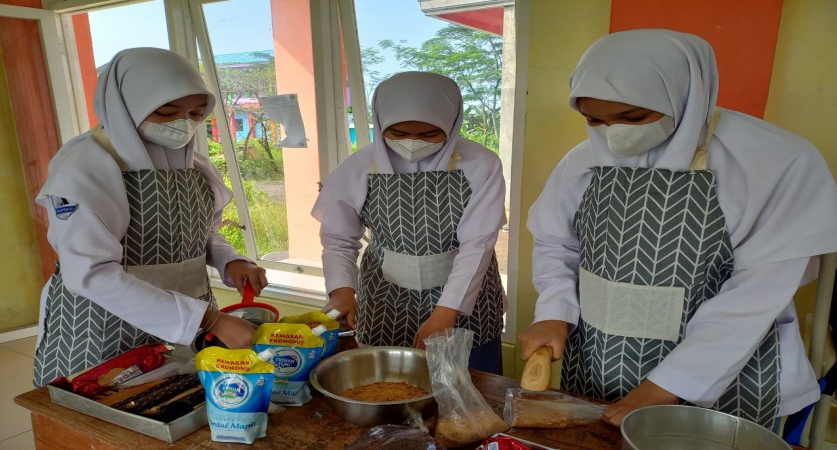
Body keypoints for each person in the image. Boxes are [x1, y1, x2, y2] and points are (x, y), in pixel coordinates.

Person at [519, 29, 837, 428]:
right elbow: (556, 243)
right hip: (601, 361)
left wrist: (671, 382)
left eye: (632, 118)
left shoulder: (776, 162)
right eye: (594, 120)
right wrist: (554, 312)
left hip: (729, 380)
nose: (614, 134)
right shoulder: (582, 161)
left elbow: (758, 292)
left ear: (685, 94)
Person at [33, 48, 268, 387]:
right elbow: (90, 273)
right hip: (105, 328)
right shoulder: (84, 170)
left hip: (192, 319)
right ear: (126, 105)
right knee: (105, 405)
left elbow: (201, 232)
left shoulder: (194, 167)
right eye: (167, 112)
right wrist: (209, 320)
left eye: (195, 114)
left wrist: (230, 259)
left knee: (178, 399)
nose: (182, 124)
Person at [312, 72, 507, 374]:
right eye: (399, 133)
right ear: (380, 124)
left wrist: (447, 311)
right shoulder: (358, 168)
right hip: (387, 301)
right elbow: (338, 239)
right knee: (390, 386)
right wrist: (341, 290)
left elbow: (477, 244)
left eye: (429, 134)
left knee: (469, 388)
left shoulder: (481, 164)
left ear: (451, 123)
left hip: (466, 299)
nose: (413, 143)